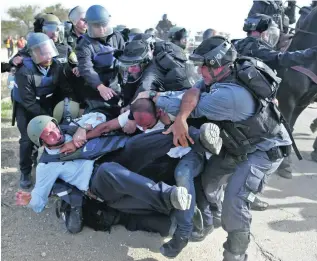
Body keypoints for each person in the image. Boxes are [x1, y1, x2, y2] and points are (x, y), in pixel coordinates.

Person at [138, 36, 292, 261]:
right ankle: (213, 220)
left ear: (217, 65)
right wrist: (179, 105)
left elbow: (190, 105)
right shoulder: (225, 75)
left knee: (235, 202)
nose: (199, 70)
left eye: (203, 65)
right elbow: (192, 92)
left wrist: (153, 97)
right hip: (242, 143)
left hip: (263, 150)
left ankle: (235, 255)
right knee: (210, 181)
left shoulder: (229, 96)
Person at [16, 114, 192, 238]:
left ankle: (195, 135)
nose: (56, 133)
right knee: (107, 171)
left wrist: (82, 129)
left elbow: (99, 116)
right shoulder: (46, 166)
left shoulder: (69, 128)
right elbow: (39, 199)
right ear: (41, 142)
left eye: (54, 127)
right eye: (49, 134)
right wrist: (29, 199)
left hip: (111, 159)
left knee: (134, 145)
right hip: (96, 183)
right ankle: (167, 195)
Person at [12, 33, 73, 189]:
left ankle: (55, 164)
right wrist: (49, 119)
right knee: (26, 139)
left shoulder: (56, 66)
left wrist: (68, 104)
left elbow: (64, 88)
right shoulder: (24, 72)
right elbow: (29, 102)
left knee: (59, 131)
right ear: (32, 54)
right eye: (41, 53)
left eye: (47, 51)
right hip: (25, 107)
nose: (46, 57)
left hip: (46, 101)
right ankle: (25, 171)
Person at [76, 5, 125, 118]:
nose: (102, 29)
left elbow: (124, 60)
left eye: (104, 24)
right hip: (95, 89)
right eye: (97, 26)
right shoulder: (84, 44)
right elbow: (86, 68)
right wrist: (100, 86)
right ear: (89, 25)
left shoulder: (117, 36)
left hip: (115, 85)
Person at [234, 14, 317, 71]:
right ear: (264, 33)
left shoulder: (235, 43)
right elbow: (283, 58)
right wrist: (313, 52)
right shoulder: (256, 49)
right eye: (271, 33)